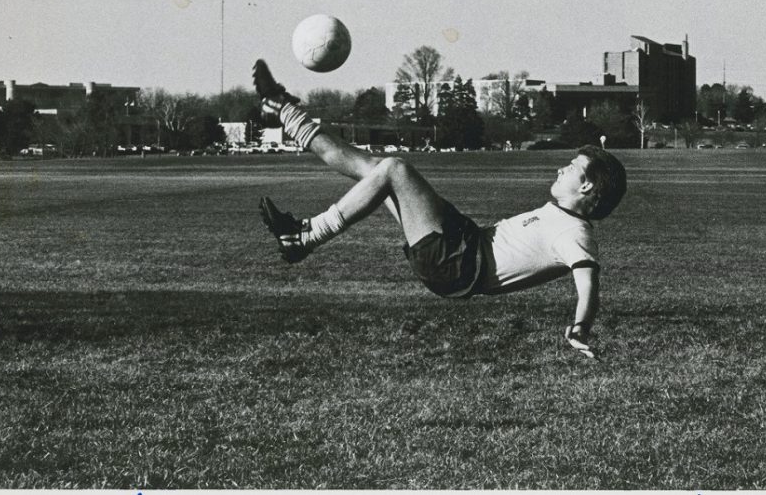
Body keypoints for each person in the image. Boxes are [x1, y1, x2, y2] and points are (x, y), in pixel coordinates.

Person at [252, 60, 627, 359]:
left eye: (573, 168)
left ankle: (304, 236)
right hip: (462, 244)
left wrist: (580, 328)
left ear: (587, 186)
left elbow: (588, 285)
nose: (563, 168)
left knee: (394, 169)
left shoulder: (575, 234)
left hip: (459, 261)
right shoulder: (563, 218)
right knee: (373, 170)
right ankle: (284, 109)